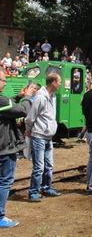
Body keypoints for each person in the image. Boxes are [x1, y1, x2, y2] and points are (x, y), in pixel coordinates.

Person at [0, 68, 34, 228]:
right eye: (2, 80)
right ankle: (0, 216)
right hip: (4, 147)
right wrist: (27, 96)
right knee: (5, 181)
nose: (4, 83)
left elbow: (7, 105)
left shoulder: (3, 101)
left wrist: (18, 96)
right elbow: (22, 110)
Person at [25, 73, 63, 202]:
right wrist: (29, 130)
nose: (60, 84)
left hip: (47, 137)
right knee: (39, 166)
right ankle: (33, 192)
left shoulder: (52, 97)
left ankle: (46, 187)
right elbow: (31, 117)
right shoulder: (41, 98)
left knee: (49, 165)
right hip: (39, 136)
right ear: (52, 82)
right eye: (59, 82)